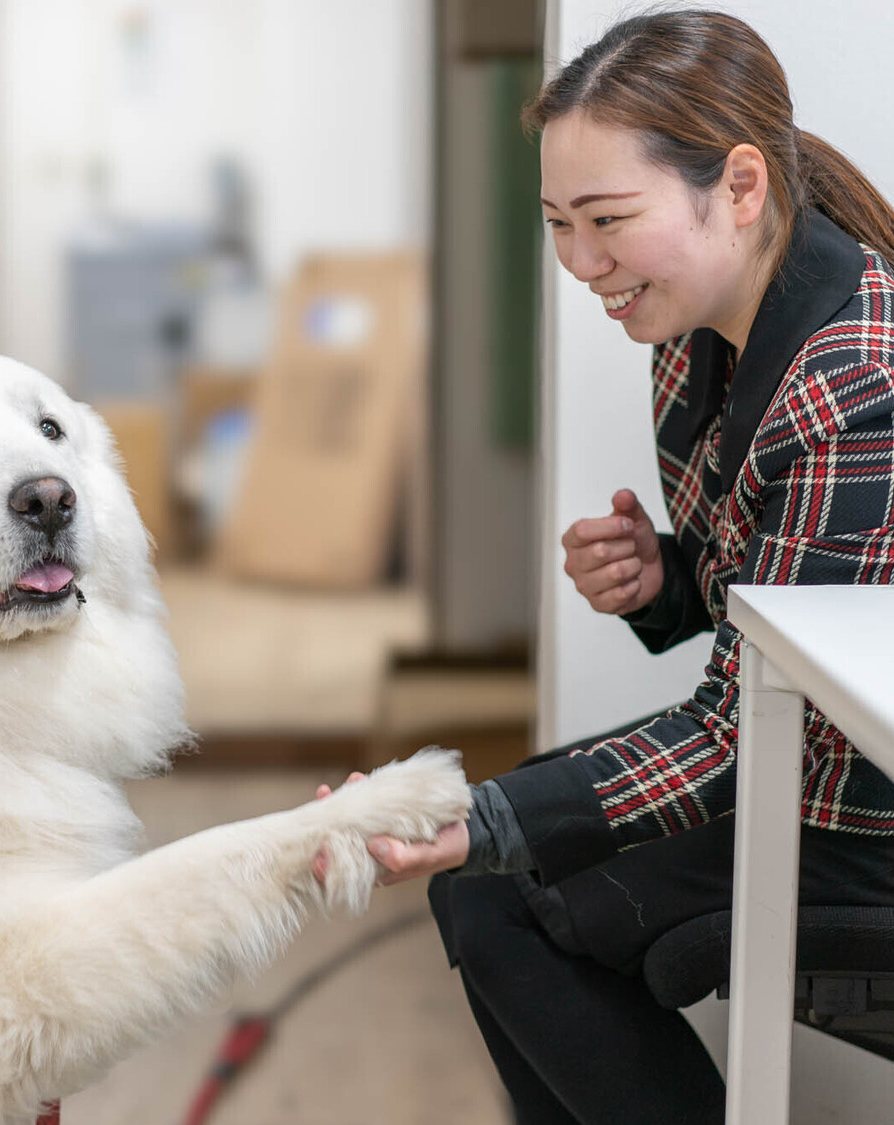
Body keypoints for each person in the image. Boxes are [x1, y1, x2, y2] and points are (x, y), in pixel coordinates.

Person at [320, 10, 894, 1124]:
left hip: (858, 811)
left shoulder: (856, 383)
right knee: (484, 898)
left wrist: (471, 816)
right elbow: (796, 604)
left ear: (736, 186)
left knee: (502, 886)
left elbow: (746, 729)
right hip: (793, 762)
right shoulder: (697, 325)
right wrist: (670, 577)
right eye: (557, 224)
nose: (583, 265)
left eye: (607, 221)